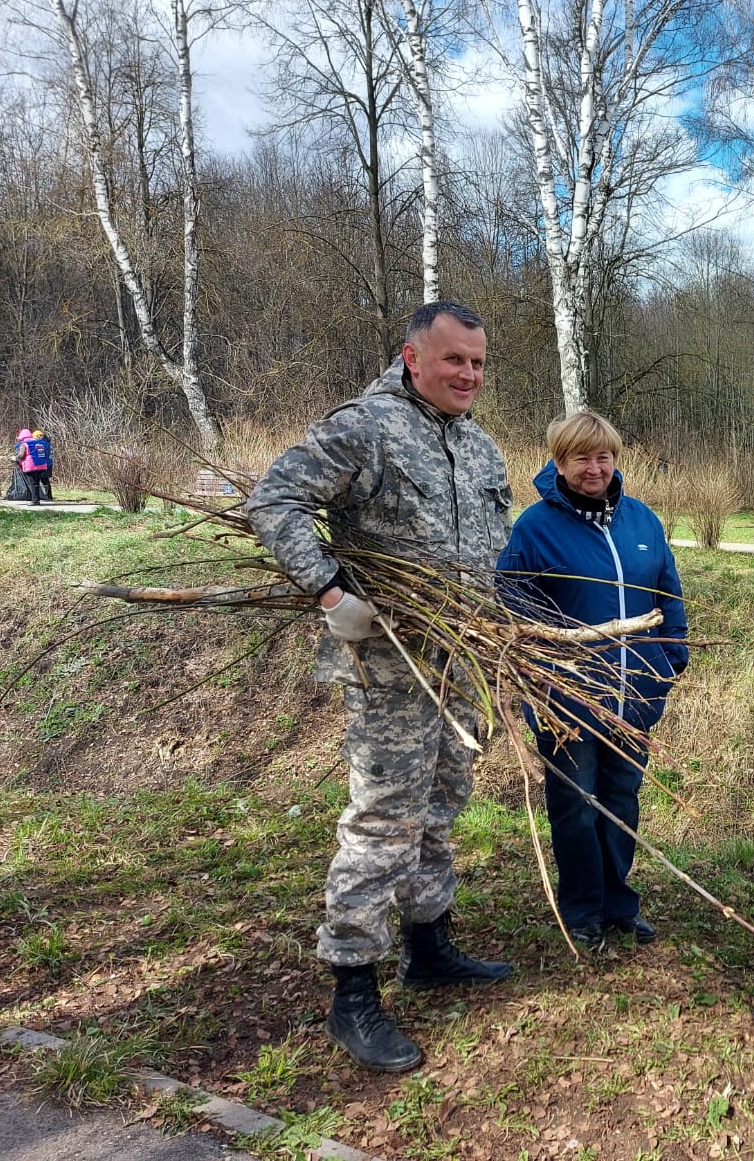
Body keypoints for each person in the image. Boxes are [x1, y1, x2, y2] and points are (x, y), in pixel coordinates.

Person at [246, 301, 516, 1074]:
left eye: (478, 362)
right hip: (390, 666)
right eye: (454, 359)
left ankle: (428, 947)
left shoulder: (482, 447)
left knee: (441, 806)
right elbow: (275, 499)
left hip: (459, 663)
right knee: (383, 819)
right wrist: (333, 593)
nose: (468, 374)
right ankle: (353, 990)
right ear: (412, 356)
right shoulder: (364, 426)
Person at [496, 412, 688, 951]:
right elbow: (511, 601)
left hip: (637, 697)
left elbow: (668, 594)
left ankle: (618, 903)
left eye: (603, 456)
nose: (594, 467)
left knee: (622, 799)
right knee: (577, 805)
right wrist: (545, 669)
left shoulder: (642, 522)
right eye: (581, 457)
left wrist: (670, 661)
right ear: (559, 461)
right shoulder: (536, 527)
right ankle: (582, 910)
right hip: (569, 701)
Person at [14, 429, 51, 505]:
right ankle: (41, 498)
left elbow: (21, 455)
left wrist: (15, 458)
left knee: (33, 483)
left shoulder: (24, 444)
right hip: (41, 465)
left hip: (31, 466)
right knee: (37, 482)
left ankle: (35, 500)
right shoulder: (39, 443)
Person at [33, 429, 55, 500]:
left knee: (42, 480)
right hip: (49, 464)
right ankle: (48, 496)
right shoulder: (47, 443)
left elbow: (42, 454)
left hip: (44, 464)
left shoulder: (42, 444)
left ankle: (46, 496)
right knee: (45, 480)